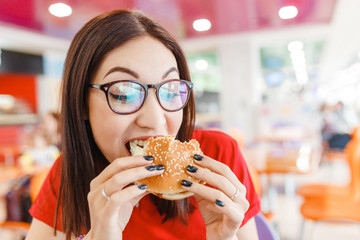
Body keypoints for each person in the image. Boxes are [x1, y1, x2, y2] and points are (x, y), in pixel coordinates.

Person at [26, 10, 261, 240]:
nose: (155, 120)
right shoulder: (69, 174)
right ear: (82, 104)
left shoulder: (218, 154)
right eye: (124, 93)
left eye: (170, 90)